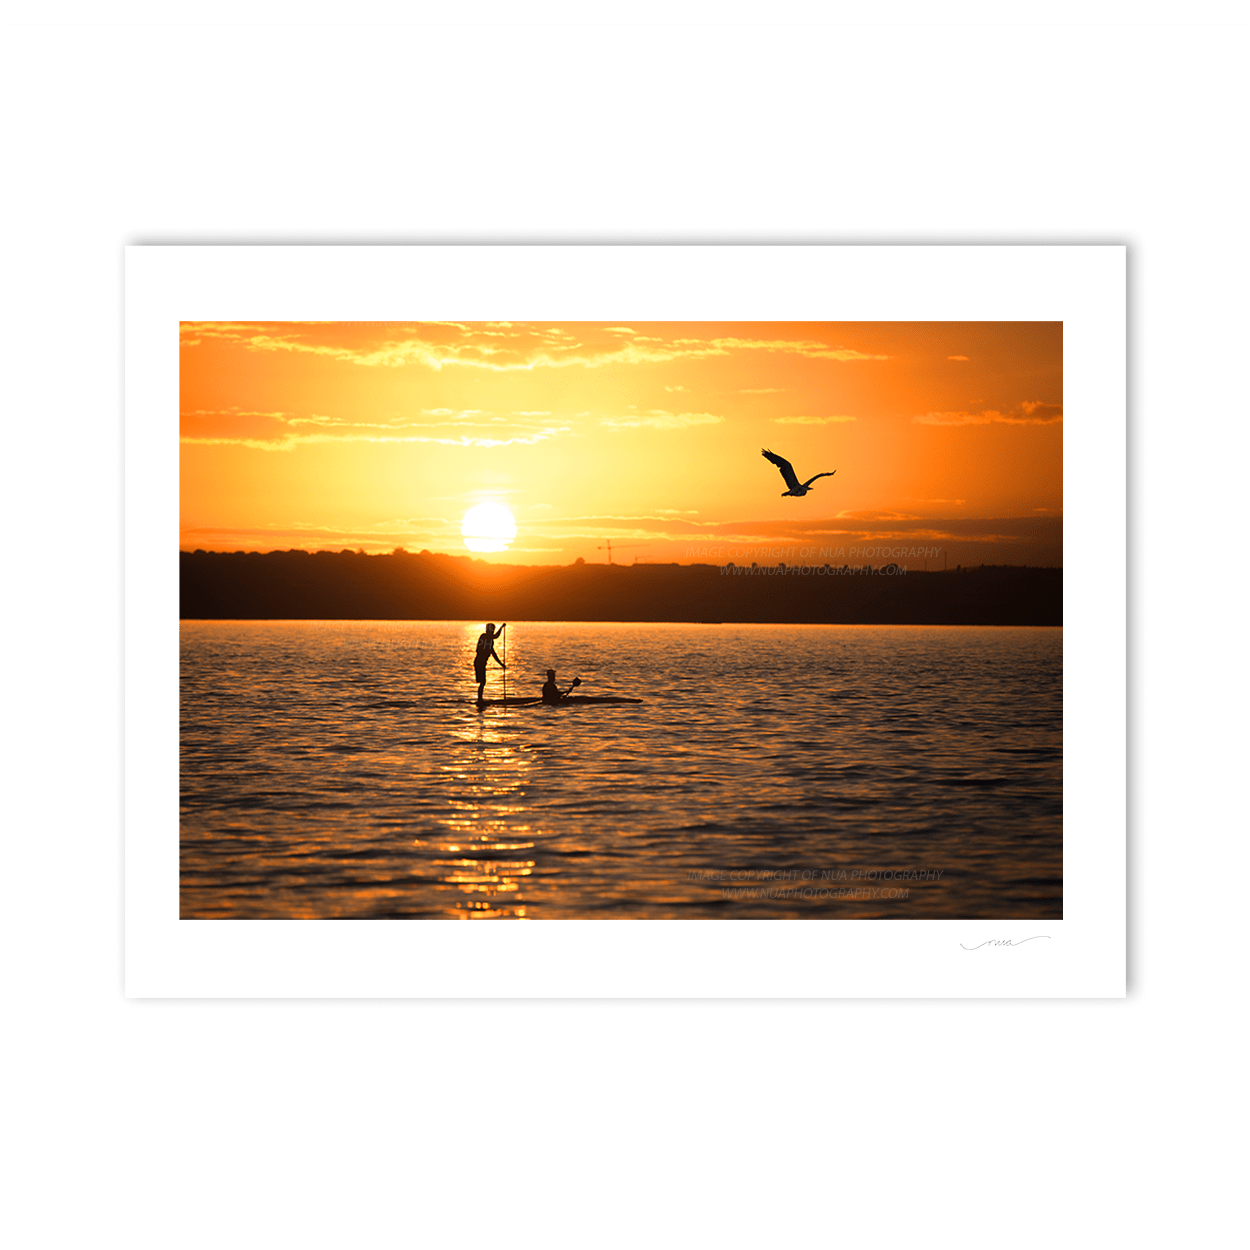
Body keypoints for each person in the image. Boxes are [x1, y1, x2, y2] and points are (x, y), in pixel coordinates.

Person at [474, 622, 506, 703]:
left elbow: (493, 654)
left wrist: (501, 664)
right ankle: (480, 700)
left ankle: (480, 699)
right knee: (482, 682)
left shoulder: (490, 641)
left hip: (482, 663)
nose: (493, 631)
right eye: (492, 629)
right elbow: (496, 636)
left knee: (483, 682)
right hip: (479, 662)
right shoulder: (484, 636)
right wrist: (501, 627)